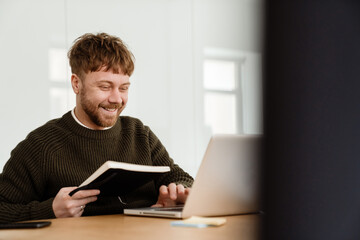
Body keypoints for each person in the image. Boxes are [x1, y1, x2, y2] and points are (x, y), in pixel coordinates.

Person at [0, 32, 193, 223]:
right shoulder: (41, 145)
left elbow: (180, 177)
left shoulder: (139, 133)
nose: (117, 99)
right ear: (76, 84)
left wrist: (178, 192)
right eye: (105, 87)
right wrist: (49, 210)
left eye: (124, 88)